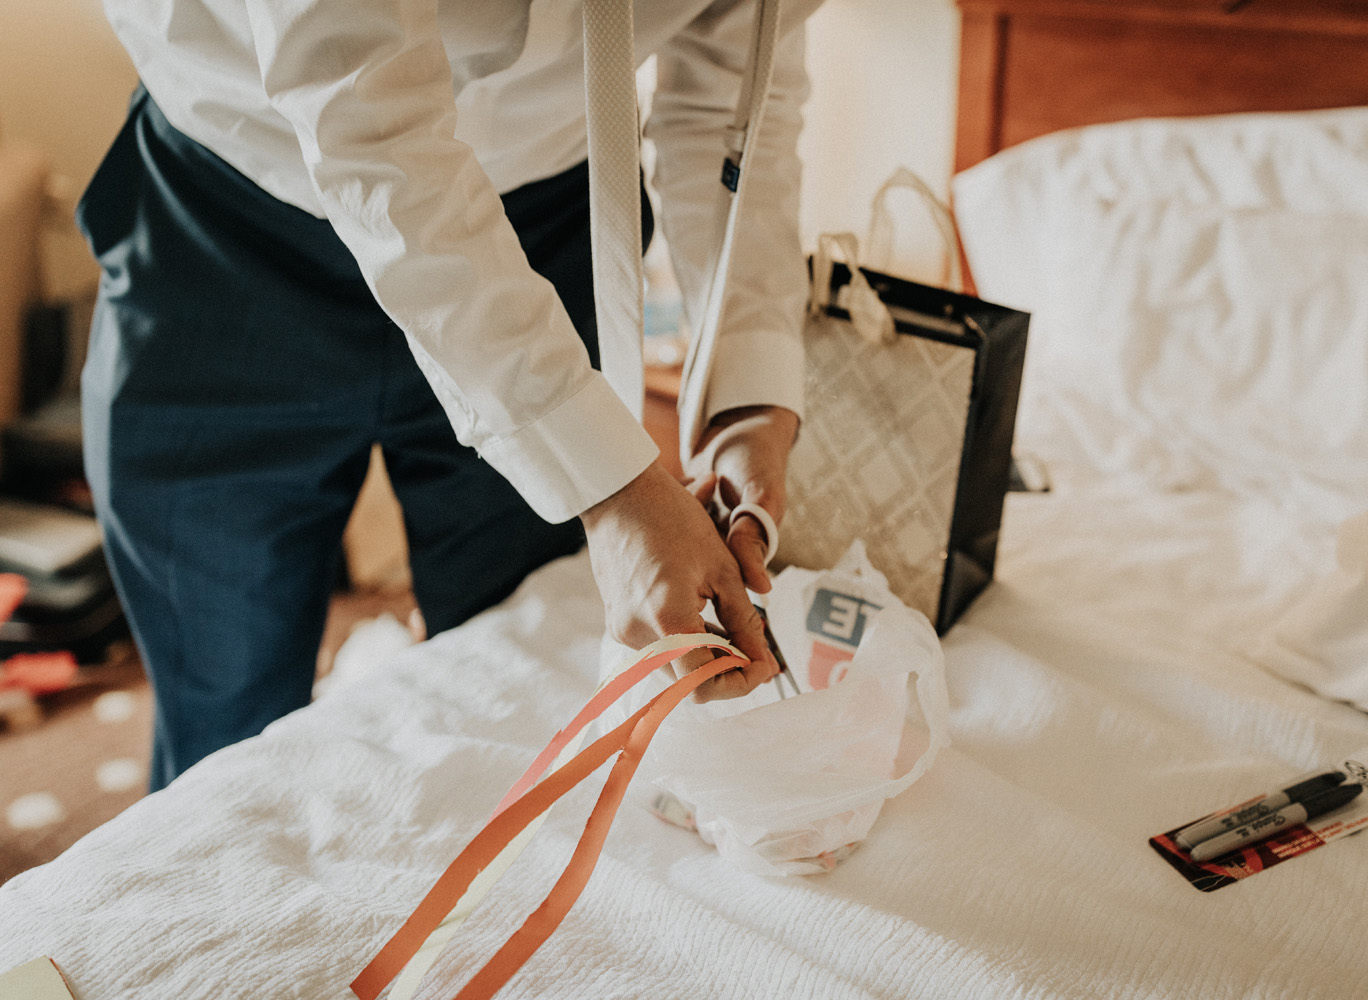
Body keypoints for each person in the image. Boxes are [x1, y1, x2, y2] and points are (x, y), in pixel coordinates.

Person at [78, 0, 819, 790]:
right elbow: (362, 104)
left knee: (511, 684)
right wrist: (603, 477)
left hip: (554, 215)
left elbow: (737, 86)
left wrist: (747, 392)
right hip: (230, 202)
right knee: (222, 718)